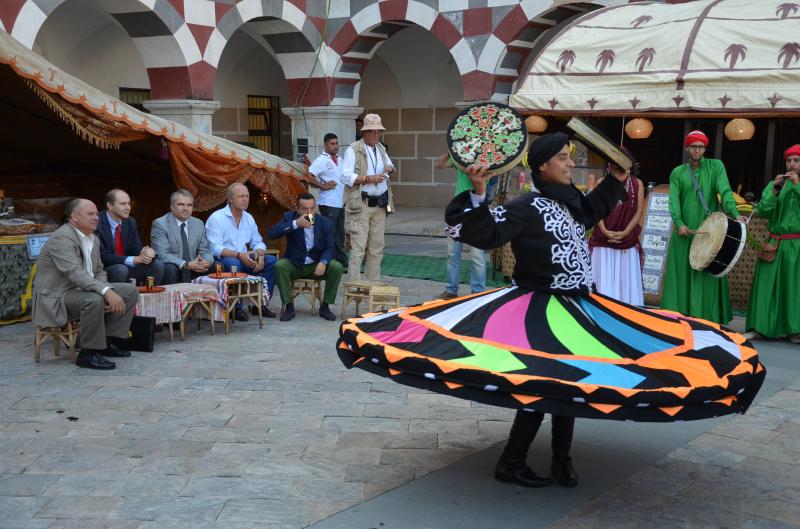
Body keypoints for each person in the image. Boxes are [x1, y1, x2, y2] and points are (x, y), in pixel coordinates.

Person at [33, 199, 139, 370]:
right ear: (74, 217)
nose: (96, 217)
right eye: (90, 214)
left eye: (96, 214)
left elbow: (98, 270)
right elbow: (75, 273)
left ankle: (108, 342)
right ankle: (88, 353)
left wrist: (108, 289)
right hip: (57, 296)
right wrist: (106, 292)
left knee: (129, 291)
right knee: (93, 299)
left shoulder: (93, 239)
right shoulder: (62, 238)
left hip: (81, 290)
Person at [660, 130, 744, 324]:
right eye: (693, 146)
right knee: (682, 271)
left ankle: (707, 315)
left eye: (700, 147)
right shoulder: (678, 172)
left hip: (709, 231)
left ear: (705, 148)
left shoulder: (716, 167)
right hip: (685, 232)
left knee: (707, 269)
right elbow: (673, 202)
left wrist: (735, 213)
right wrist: (679, 223)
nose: (697, 150)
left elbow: (725, 191)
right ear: (687, 148)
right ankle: (679, 315)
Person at [745, 144, 800, 342]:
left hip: (796, 244)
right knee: (765, 286)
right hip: (773, 242)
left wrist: (796, 186)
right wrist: (775, 191)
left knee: (793, 287)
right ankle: (759, 327)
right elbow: (763, 210)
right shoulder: (775, 184)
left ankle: (795, 330)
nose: (792, 164)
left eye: (796, 160)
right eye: (789, 160)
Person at [205, 182, 277, 320]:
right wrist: (238, 255)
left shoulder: (248, 217)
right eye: (241, 196)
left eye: (247, 196)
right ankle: (236, 308)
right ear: (230, 199)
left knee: (271, 261)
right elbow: (214, 248)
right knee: (234, 263)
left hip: (245, 258)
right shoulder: (217, 218)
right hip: (224, 261)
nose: (245, 199)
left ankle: (260, 304)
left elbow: (257, 241)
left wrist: (260, 255)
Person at [268, 193, 343, 322]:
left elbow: (331, 247)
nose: (309, 212)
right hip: (295, 264)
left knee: (337, 267)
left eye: (312, 208)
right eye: (305, 209)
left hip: (315, 264)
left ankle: (325, 306)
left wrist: (323, 262)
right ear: (297, 209)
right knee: (280, 265)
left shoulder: (325, 223)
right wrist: (295, 224)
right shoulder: (289, 217)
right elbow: (272, 234)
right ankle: (289, 307)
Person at [342, 113, 396, 281]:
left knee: (377, 247)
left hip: (380, 204)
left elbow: (390, 165)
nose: (376, 135)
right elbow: (345, 176)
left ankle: (373, 284)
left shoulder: (380, 148)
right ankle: (355, 286)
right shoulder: (353, 149)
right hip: (361, 204)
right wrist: (367, 179)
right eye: (372, 131)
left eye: (378, 132)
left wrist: (391, 169)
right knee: (358, 248)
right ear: (364, 132)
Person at [588, 153, 645, 305]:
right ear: (610, 165)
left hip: (626, 240)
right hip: (603, 239)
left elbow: (639, 211)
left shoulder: (637, 184)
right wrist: (605, 231)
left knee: (625, 279)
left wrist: (626, 232)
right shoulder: (602, 182)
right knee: (602, 281)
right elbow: (595, 210)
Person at [435, 153, 492, 299]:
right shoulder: (461, 157)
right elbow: (439, 165)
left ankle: (478, 292)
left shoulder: (487, 160)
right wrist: (450, 150)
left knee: (477, 255)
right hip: (457, 210)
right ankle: (451, 290)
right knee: (452, 253)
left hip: (477, 210)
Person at [97, 188, 164, 285]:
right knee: (121, 269)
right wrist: (134, 259)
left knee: (157, 265)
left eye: (129, 203)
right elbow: (102, 256)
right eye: (123, 204)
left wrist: (144, 251)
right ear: (110, 205)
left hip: (126, 264)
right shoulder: (97, 222)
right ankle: (115, 298)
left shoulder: (130, 221)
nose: (128, 207)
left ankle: (149, 296)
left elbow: (134, 246)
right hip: (105, 268)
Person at [151, 189, 213, 285]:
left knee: (217, 265)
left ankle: (209, 298)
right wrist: (186, 264)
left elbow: (204, 250)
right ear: (172, 207)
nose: (186, 208)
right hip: (175, 266)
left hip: (195, 266)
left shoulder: (198, 223)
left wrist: (206, 262)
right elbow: (162, 254)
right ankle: (171, 299)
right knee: (169, 269)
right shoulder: (160, 224)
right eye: (181, 204)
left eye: (189, 205)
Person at [308, 133, 347, 267]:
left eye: (336, 143)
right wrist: (322, 186)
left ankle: (340, 260)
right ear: (325, 145)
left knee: (340, 232)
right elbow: (308, 176)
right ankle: (329, 260)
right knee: (331, 232)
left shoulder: (340, 159)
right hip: (329, 202)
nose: (335, 146)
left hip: (340, 201)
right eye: (332, 143)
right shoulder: (321, 160)